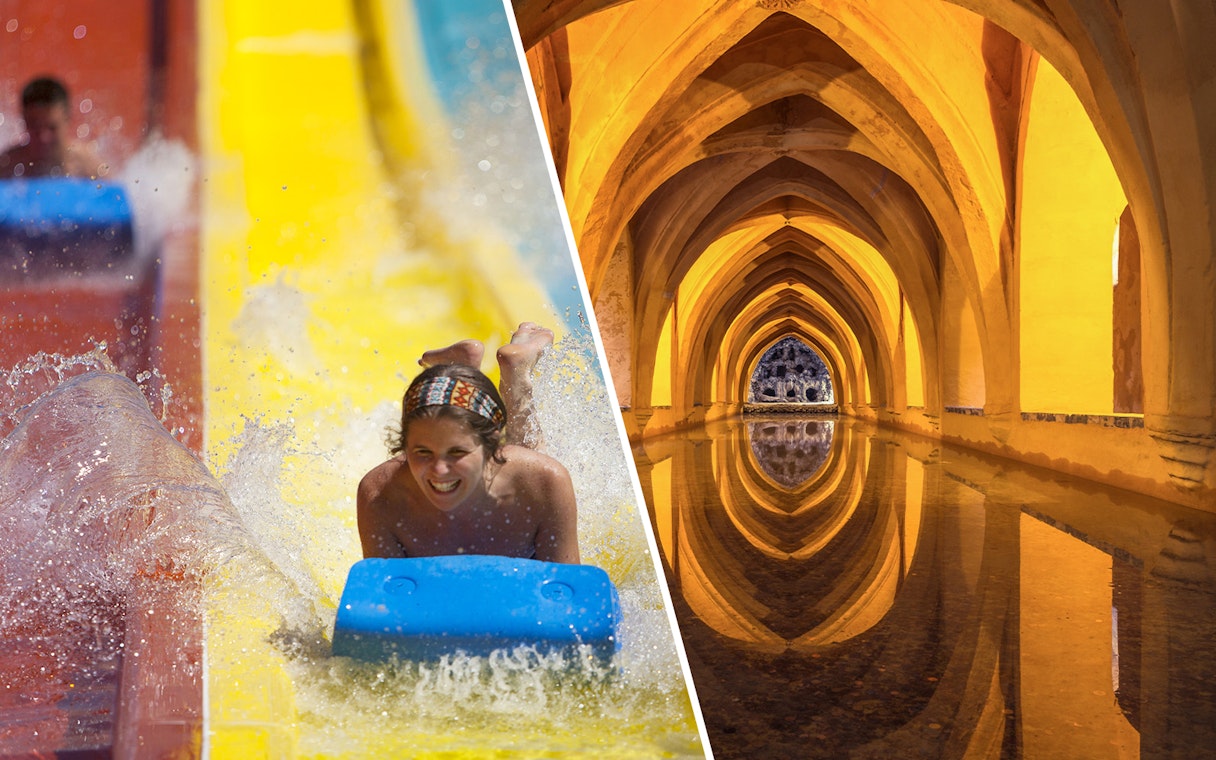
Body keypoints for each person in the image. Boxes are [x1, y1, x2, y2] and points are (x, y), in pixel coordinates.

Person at [357, 322, 580, 563]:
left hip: (516, 470)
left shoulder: (544, 481)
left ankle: (516, 374)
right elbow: (386, 596)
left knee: (528, 451)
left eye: (456, 452)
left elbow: (566, 590)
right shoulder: (380, 496)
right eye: (422, 452)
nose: (439, 470)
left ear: (492, 442)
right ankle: (462, 369)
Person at [1, 76, 107, 179]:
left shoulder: (87, 167)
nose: (44, 137)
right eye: (35, 127)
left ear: (67, 119)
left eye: (52, 128)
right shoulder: (8, 165)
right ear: (24, 121)